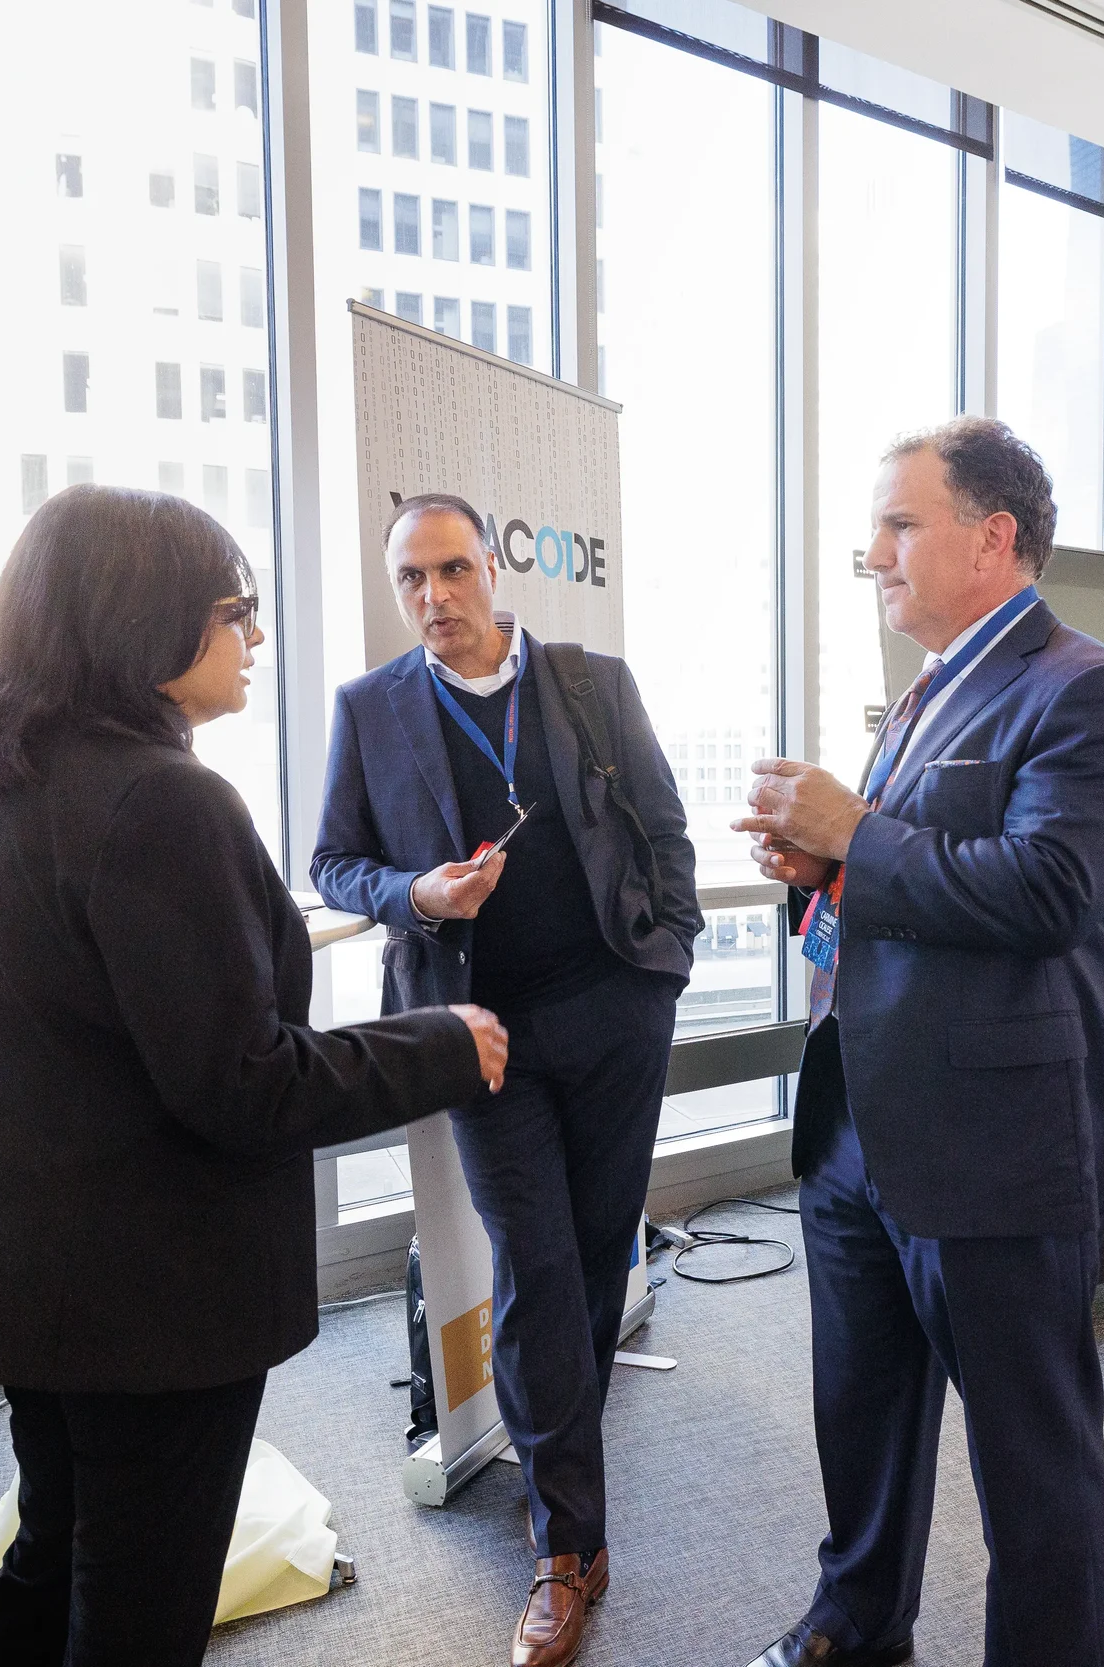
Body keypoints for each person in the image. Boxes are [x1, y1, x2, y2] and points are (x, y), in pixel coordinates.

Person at [0, 486, 503, 1667]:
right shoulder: (162, 801)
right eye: (236, 609)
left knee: (53, 1541)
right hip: (149, 1292)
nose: (255, 638)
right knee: (138, 1605)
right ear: (145, 618)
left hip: (23, 1267)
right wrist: (443, 1041)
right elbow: (245, 1084)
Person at [734, 417, 1104, 1667]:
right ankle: (857, 1620)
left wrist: (853, 832)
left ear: (994, 536)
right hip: (859, 1124)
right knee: (860, 1413)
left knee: (1032, 1462)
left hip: (998, 1146)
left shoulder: (1092, 689)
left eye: (899, 522)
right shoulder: (929, 687)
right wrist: (826, 860)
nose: (870, 551)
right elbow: (919, 872)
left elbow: (1050, 892)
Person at [311, 493, 701, 1667]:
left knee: (589, 1262)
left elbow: (665, 828)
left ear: (494, 567)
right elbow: (333, 860)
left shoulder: (590, 682)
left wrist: (665, 965)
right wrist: (416, 895)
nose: (433, 598)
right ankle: (563, 1544)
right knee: (531, 1264)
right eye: (410, 582)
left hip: (613, 1010)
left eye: (449, 571)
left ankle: (560, 1473)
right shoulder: (371, 708)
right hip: (480, 1030)